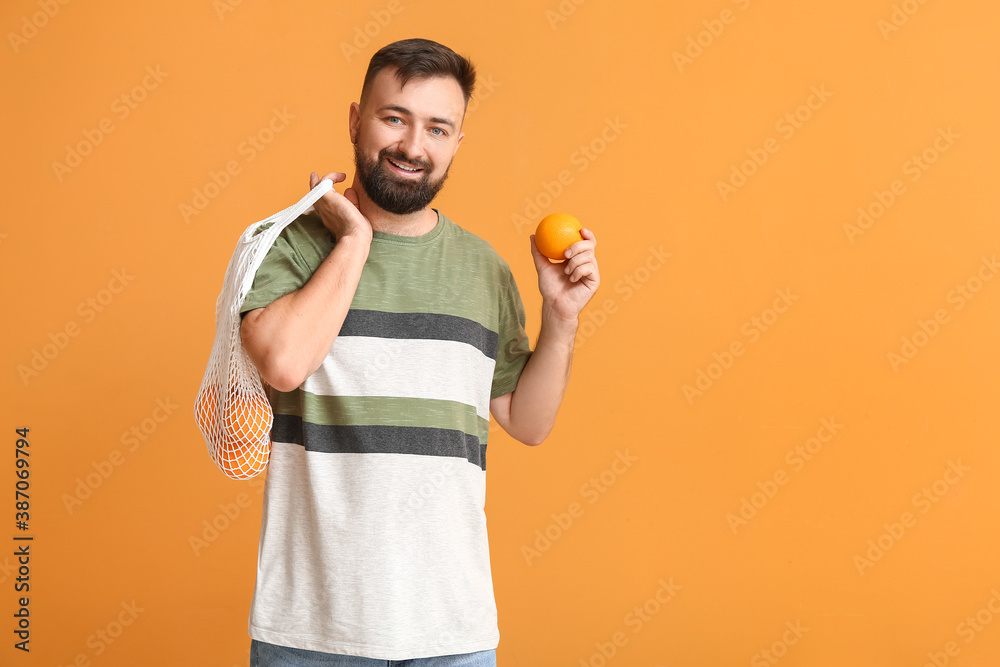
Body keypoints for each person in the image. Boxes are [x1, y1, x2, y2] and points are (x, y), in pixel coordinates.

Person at [238, 38, 600, 666]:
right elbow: (284, 363)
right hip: (311, 635)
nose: (413, 146)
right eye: (394, 118)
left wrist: (561, 319)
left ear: (457, 143)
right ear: (357, 121)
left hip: (451, 636)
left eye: (438, 128)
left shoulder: (482, 269)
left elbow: (527, 421)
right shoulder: (288, 245)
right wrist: (353, 236)